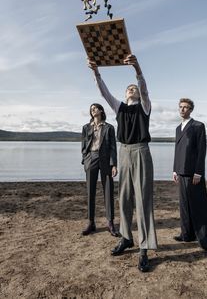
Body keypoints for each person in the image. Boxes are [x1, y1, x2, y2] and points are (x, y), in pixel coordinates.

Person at [88, 54, 157, 272]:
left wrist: (137, 68)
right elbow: (104, 93)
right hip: (124, 152)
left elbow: (144, 88)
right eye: (128, 89)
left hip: (141, 151)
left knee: (143, 200)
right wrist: (96, 72)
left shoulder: (144, 106)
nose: (131, 90)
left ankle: (144, 247)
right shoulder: (119, 108)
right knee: (124, 198)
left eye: (133, 88)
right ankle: (126, 238)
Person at [173, 98, 207, 255]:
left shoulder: (198, 126)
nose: (182, 110)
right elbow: (177, 149)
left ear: (191, 110)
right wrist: (174, 169)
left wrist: (199, 172)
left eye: (186, 107)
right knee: (184, 206)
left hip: (194, 174)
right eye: (181, 107)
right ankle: (187, 234)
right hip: (181, 172)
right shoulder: (178, 128)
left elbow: (201, 150)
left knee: (200, 208)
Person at [81, 103, 118, 237]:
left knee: (108, 191)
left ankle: (110, 223)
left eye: (95, 108)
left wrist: (114, 164)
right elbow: (84, 144)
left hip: (105, 160)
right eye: (91, 109)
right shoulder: (86, 127)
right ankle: (91, 223)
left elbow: (113, 147)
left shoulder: (109, 128)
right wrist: (85, 159)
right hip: (91, 159)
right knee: (90, 191)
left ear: (101, 111)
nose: (93, 110)